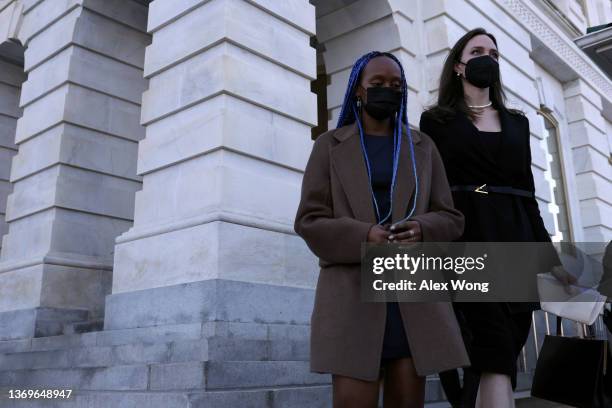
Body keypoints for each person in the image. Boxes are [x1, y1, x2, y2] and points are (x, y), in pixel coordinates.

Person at [294, 50, 470, 408]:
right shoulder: (329, 146)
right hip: (351, 296)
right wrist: (364, 235)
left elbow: (451, 217)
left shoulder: (423, 146)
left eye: (395, 85)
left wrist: (421, 227)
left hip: (411, 299)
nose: (387, 90)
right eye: (377, 84)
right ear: (358, 90)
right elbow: (309, 220)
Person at [419, 28, 574, 408]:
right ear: (459, 65)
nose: (486, 57)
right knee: (495, 347)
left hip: (518, 241)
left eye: (493, 52)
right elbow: (431, 189)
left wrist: (550, 259)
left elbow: (528, 192)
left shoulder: (518, 122)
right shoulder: (435, 121)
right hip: (467, 241)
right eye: (476, 51)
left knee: (500, 354)